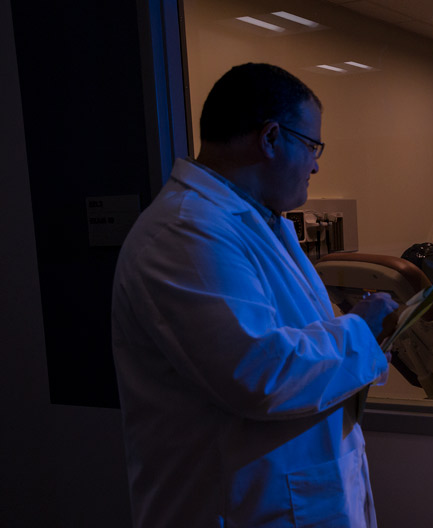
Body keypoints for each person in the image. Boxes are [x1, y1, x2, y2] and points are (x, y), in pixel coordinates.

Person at [111, 63, 398, 527]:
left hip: (295, 499)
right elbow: (261, 374)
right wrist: (360, 329)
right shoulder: (185, 231)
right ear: (269, 138)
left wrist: (356, 334)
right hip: (240, 508)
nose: (317, 163)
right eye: (311, 145)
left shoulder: (260, 224)